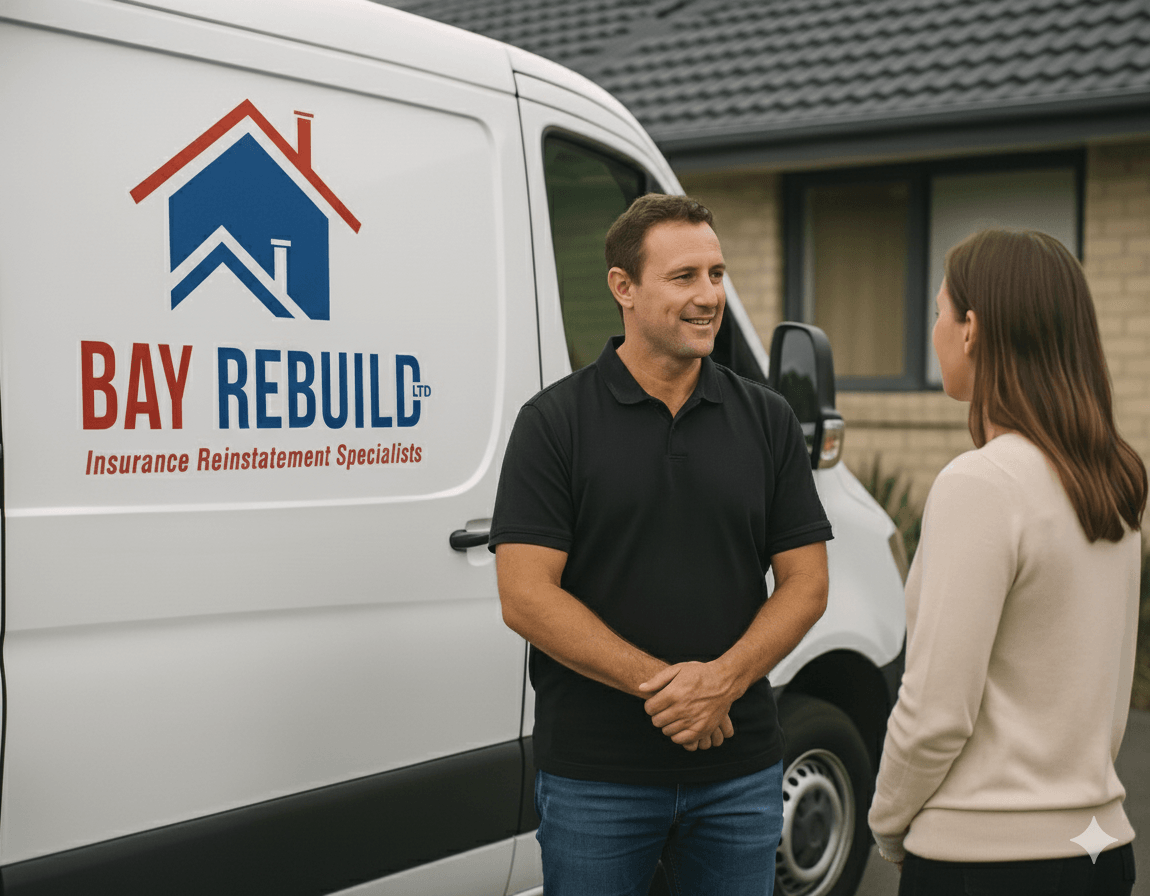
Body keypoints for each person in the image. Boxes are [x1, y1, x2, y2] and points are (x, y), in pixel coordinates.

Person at [489, 193, 833, 895]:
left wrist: (723, 682)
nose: (709, 295)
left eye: (716, 273)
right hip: (597, 779)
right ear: (624, 288)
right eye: (685, 277)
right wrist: (672, 690)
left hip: (738, 773)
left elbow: (807, 583)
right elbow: (524, 596)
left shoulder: (765, 419)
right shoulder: (555, 423)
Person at [868, 229, 1146, 896]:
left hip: (986, 862)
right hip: (1101, 850)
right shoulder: (1113, 481)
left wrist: (888, 822)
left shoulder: (981, 484)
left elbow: (936, 710)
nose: (933, 330)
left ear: (972, 329)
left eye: (939, 311)